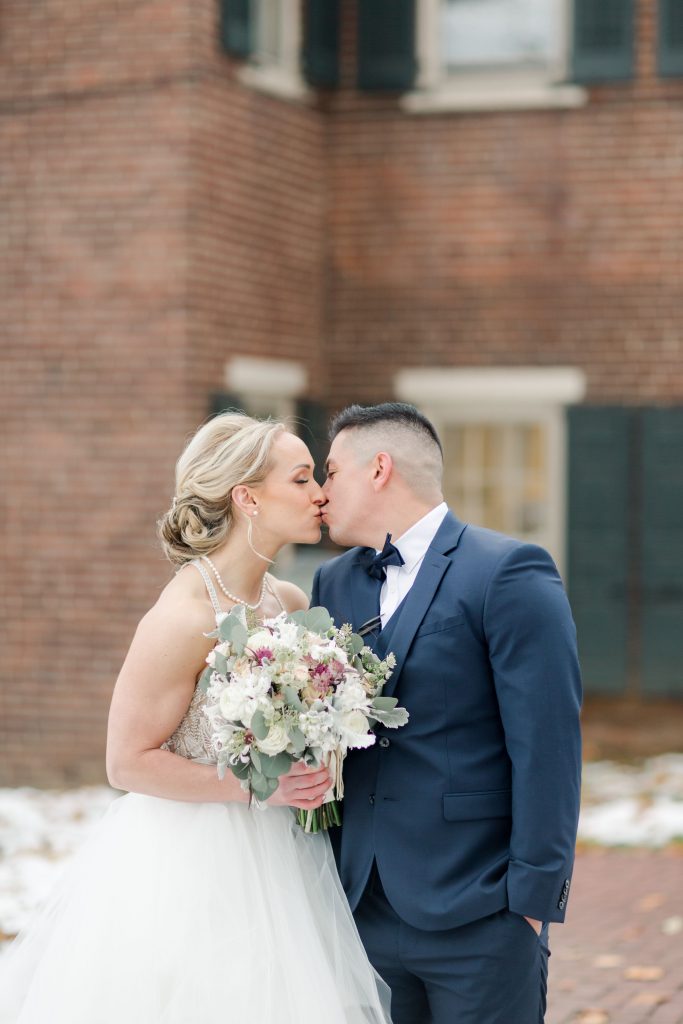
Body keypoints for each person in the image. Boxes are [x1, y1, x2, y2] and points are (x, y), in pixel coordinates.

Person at [0, 413, 391, 1024]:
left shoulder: (287, 602)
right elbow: (125, 762)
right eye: (302, 477)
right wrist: (259, 790)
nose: (320, 492)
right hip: (190, 860)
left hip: (283, 857)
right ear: (247, 498)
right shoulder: (181, 618)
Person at [312, 402, 582, 1024]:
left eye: (330, 472)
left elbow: (548, 745)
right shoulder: (333, 583)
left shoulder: (508, 571)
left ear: (379, 468)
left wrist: (531, 903)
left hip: (481, 911)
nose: (322, 493)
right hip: (363, 910)